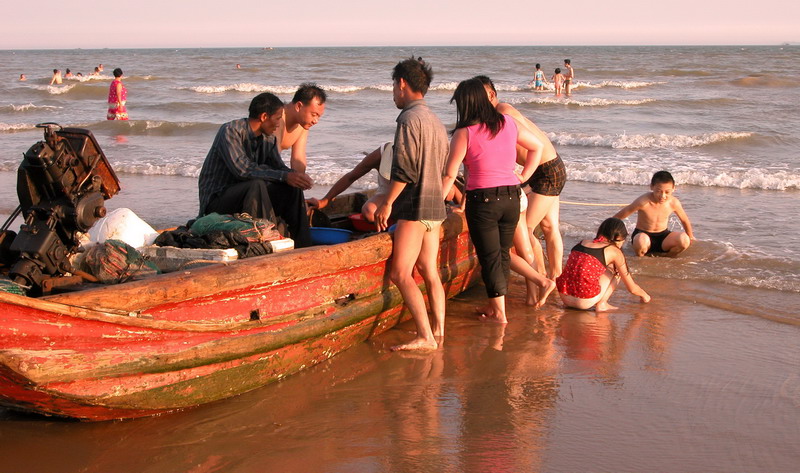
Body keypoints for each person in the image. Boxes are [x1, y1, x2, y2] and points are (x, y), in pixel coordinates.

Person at [443, 78, 556, 324]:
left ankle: (502, 313)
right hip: (511, 198)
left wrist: (436, 202)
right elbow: (536, 147)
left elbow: (450, 174)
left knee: (491, 257)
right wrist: (524, 175)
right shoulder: (507, 122)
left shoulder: (465, 133)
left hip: (483, 201)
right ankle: (509, 300)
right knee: (502, 255)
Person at [373, 57, 448, 351]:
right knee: (430, 271)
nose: (393, 92)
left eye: (394, 86)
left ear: (402, 83)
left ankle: (425, 337)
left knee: (400, 273)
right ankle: (439, 330)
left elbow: (404, 169)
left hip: (415, 206)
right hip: (436, 207)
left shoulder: (408, 119)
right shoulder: (436, 121)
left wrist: (387, 202)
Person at [477, 75, 567, 281]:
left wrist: (524, 174)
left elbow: (536, 144)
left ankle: (541, 277)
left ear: (491, 95)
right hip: (550, 167)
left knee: (526, 229)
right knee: (549, 226)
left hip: (545, 170)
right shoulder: (498, 113)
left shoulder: (503, 112)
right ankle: (556, 276)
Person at [197, 92, 313, 247]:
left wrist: (295, 177)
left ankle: (304, 245)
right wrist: (285, 176)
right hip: (216, 202)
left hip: (248, 196)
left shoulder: (269, 138)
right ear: (264, 117)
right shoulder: (231, 131)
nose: (279, 124)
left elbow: (278, 168)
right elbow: (243, 170)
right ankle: (264, 244)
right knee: (256, 184)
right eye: (278, 118)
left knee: (292, 187)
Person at [557, 217, 650, 312]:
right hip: (584, 301)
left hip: (564, 296)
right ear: (620, 238)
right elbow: (632, 288)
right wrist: (645, 295)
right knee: (616, 271)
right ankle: (602, 304)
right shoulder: (615, 251)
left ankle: (588, 300)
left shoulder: (583, 242)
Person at [613, 171, 695, 257]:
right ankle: (641, 260)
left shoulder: (673, 202)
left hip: (663, 237)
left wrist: (690, 236)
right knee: (641, 240)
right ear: (652, 187)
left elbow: (684, 220)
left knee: (684, 240)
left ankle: (666, 258)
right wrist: (607, 234)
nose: (663, 196)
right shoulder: (643, 201)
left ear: (674, 188)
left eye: (667, 192)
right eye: (658, 191)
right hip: (643, 235)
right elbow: (619, 217)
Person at [307, 141, 392, 222]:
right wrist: (325, 200)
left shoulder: (405, 155)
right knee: (369, 211)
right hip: (386, 194)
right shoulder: (383, 152)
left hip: (404, 197)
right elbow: (351, 177)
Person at [275, 83, 326, 174]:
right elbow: (272, 158)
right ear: (298, 106)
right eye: (313, 115)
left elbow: (298, 159)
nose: (316, 121)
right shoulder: (277, 118)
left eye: (319, 117)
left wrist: (300, 181)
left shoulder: (302, 125)